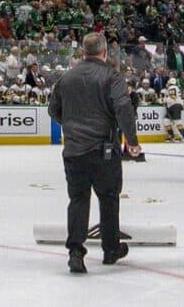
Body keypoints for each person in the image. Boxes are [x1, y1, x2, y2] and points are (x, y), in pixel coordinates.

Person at [47, 31, 139, 275]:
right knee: (108, 198)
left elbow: (53, 110)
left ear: (83, 52)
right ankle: (111, 249)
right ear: (105, 52)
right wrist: (132, 141)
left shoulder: (66, 78)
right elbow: (123, 107)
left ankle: (76, 252)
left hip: (74, 150)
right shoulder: (112, 76)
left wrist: (71, 125)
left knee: (78, 199)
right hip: (103, 150)